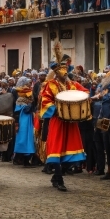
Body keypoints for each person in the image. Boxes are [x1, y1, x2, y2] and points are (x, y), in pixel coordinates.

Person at [40, 55, 87, 191]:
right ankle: (59, 178)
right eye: (62, 69)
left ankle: (56, 176)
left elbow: (84, 92)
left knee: (73, 150)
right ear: (57, 72)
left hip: (71, 122)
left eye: (66, 69)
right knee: (56, 150)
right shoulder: (50, 85)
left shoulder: (72, 84)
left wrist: (85, 98)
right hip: (58, 121)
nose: (65, 72)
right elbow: (45, 101)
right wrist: (58, 109)